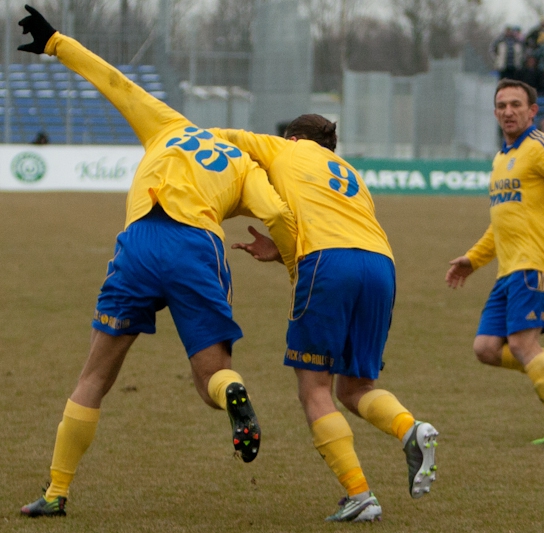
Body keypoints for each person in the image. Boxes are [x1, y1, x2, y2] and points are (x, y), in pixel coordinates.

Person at [17, 5, 298, 518]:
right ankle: (233, 392)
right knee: (211, 375)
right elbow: (279, 212)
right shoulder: (249, 167)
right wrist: (284, 255)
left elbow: (114, 81)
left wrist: (55, 41)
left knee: (94, 375)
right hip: (197, 248)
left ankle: (56, 493)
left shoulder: (171, 123)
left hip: (141, 242)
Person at [209, 115, 439, 522]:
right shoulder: (349, 173)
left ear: (294, 137)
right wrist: (282, 252)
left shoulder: (285, 148)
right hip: (381, 265)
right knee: (356, 387)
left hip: (329, 263)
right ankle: (409, 428)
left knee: (315, 388)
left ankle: (359, 495)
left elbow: (216, 137)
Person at [445, 79, 544, 445]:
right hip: (508, 271)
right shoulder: (501, 159)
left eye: (516, 104)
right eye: (501, 106)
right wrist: (472, 259)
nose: (508, 111)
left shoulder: (541, 146)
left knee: (521, 345)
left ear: (532, 111)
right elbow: (501, 220)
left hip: (537, 265)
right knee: (485, 349)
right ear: (495, 112)